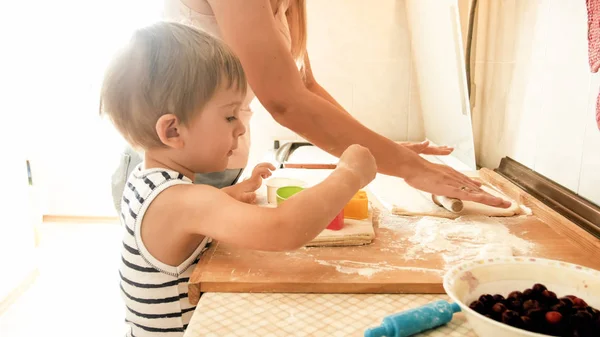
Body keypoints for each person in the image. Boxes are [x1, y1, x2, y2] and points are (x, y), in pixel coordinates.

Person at [100, 22, 377, 337]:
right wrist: (350, 175)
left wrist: (228, 196)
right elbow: (282, 229)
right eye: (230, 115)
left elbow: (182, 223)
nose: (241, 128)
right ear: (173, 131)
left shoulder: (144, 179)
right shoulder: (183, 201)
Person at [110, 0, 510, 214]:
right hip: (173, 164)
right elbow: (284, 102)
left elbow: (304, 87)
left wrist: (386, 150)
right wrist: (408, 168)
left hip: (219, 167)